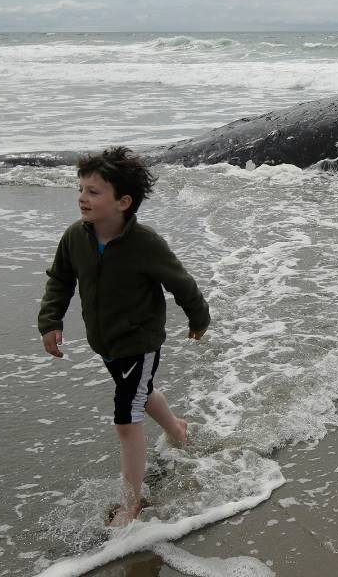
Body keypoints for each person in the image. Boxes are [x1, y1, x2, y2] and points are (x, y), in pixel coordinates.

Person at [37, 146, 210, 527]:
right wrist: (51, 320)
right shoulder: (75, 238)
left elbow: (181, 282)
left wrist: (199, 317)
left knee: (126, 418)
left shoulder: (144, 244)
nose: (82, 197)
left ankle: (131, 503)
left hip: (139, 341)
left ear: (123, 202)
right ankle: (177, 428)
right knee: (141, 393)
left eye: (94, 191)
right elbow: (61, 280)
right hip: (106, 341)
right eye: (81, 189)